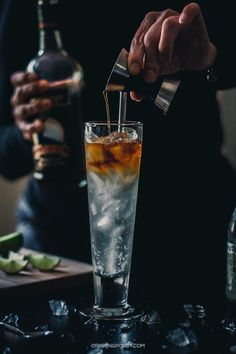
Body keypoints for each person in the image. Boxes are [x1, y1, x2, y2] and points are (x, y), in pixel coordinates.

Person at [0, 0, 236, 307]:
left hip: (192, 227)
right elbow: (6, 157)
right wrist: (31, 132)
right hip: (65, 247)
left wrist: (211, 56)